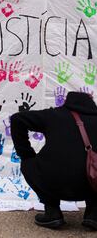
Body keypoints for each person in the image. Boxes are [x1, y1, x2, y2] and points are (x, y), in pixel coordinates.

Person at [10, 91, 97, 230]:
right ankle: (94, 214)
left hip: (53, 182)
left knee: (28, 163)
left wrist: (26, 153)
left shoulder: (53, 115)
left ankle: (52, 212)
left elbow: (17, 119)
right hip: (92, 182)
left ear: (68, 102)